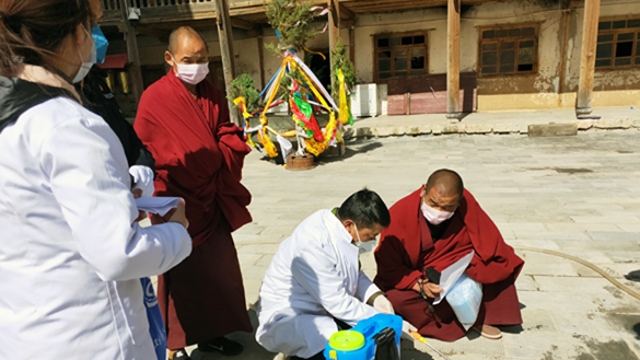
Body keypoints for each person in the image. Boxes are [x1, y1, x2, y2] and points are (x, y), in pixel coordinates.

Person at [0, 1, 192, 359]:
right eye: (93, 26)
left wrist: (117, 193)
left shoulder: (11, 115)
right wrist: (177, 232)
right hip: (91, 335)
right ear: (76, 32)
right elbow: (119, 254)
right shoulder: (67, 123)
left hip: (24, 331)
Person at [134, 26, 253, 360]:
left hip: (210, 201)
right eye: (189, 59)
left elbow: (227, 132)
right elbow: (148, 154)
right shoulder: (154, 99)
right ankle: (174, 342)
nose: (197, 66)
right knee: (180, 274)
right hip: (177, 201)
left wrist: (218, 152)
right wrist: (205, 154)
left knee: (218, 271)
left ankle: (213, 335)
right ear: (170, 58)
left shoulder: (212, 92)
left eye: (203, 59)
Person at [374, 169, 524, 341]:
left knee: (497, 265)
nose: (439, 211)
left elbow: (489, 242)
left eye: (448, 207)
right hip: (418, 277)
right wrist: (418, 284)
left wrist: (467, 268)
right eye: (433, 203)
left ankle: (477, 315)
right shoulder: (400, 213)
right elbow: (388, 265)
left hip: (457, 269)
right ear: (423, 190)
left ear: (459, 202)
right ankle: (457, 320)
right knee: (396, 299)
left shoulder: (466, 204)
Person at [256, 189, 396, 360]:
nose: (371, 241)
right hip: (290, 316)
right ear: (349, 225)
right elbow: (338, 303)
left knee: (368, 338)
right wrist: (383, 320)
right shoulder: (312, 245)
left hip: (322, 306)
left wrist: (375, 297)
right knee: (347, 348)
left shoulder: (340, 227)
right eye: (370, 236)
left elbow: (353, 271)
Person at [78, 0, 156, 196]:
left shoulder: (94, 79)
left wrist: (142, 166)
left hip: (125, 194)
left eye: (99, 23)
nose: (98, 34)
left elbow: (124, 131)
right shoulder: (42, 96)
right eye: (90, 24)